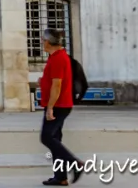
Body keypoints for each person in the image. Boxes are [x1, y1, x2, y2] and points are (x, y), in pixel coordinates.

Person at [39, 29, 84, 185]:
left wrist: (50, 107)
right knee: (55, 139)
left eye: (43, 40)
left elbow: (56, 86)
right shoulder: (55, 57)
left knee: (46, 137)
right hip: (59, 104)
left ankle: (75, 163)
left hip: (58, 105)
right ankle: (61, 177)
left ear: (48, 41)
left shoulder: (58, 59)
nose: (41, 42)